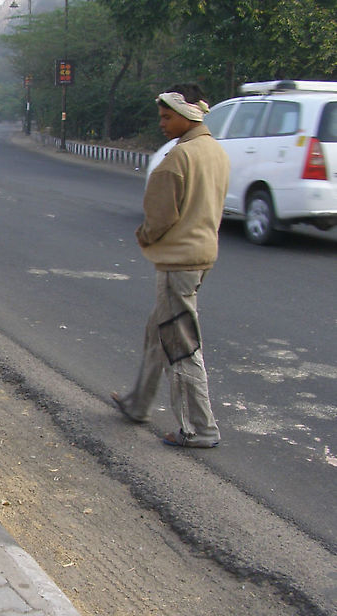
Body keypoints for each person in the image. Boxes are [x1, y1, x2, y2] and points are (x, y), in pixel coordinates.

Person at [111, 83, 229, 449]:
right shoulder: (214, 151)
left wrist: (145, 235)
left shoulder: (179, 158)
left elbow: (160, 216)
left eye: (167, 116)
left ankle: (200, 428)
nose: (162, 123)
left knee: (180, 344)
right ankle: (138, 403)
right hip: (202, 254)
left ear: (188, 114)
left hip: (178, 262)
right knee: (157, 331)